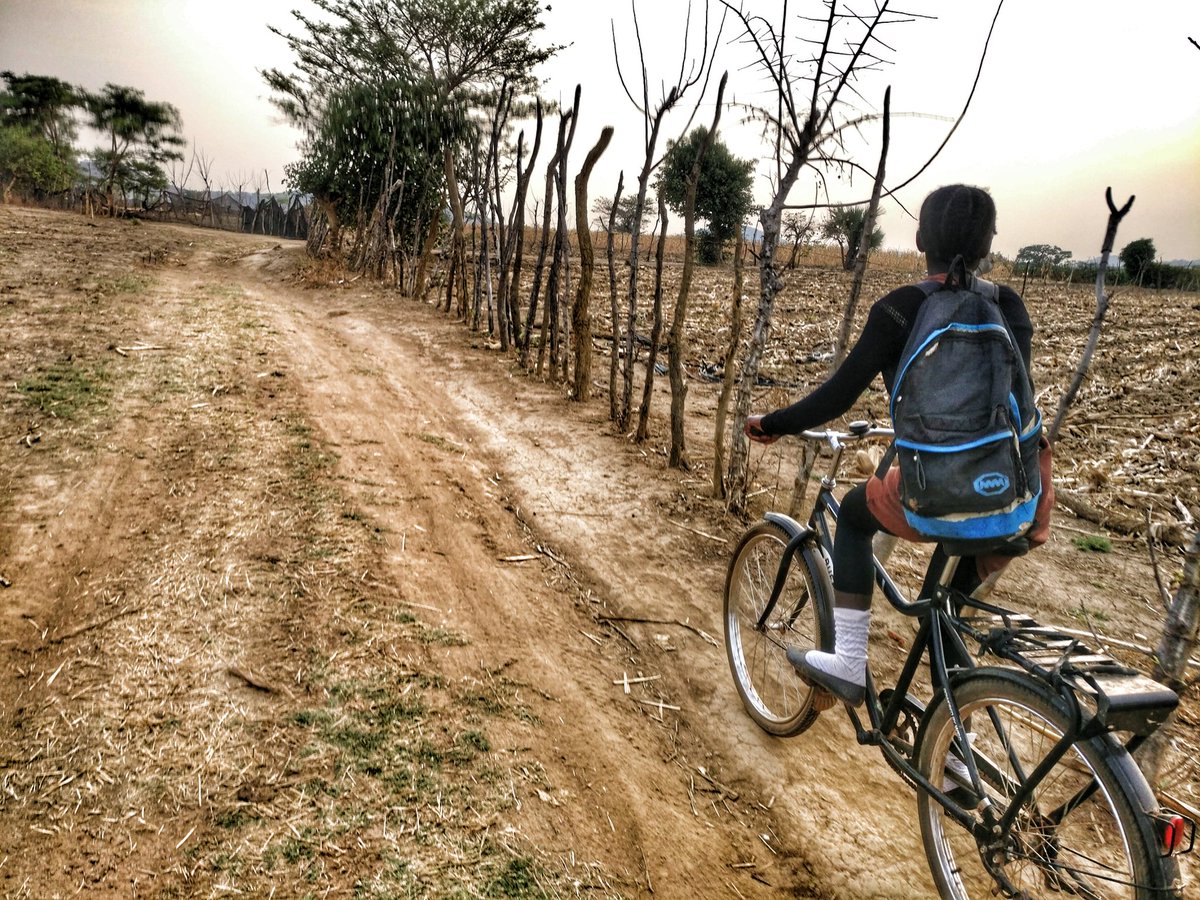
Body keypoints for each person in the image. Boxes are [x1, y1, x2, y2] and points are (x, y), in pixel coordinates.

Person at [745, 184, 1054, 706]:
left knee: (852, 514)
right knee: (947, 615)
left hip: (938, 493)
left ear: (918, 239)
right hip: (1017, 500)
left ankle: (846, 662)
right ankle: (955, 751)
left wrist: (774, 421)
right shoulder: (1009, 306)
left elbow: (838, 395)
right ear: (988, 245)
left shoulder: (899, 309)